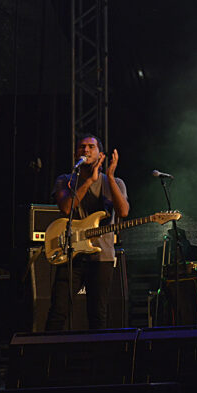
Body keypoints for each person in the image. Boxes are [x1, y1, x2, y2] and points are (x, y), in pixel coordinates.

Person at [45, 134, 129, 330]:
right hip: (70, 255)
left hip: (102, 258)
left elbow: (123, 211)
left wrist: (107, 176)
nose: (86, 150)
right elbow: (66, 209)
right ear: (76, 153)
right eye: (82, 147)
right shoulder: (65, 180)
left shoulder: (115, 182)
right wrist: (89, 181)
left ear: (100, 153)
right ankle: (48, 358)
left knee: (97, 314)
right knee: (57, 312)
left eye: (91, 147)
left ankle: (97, 358)